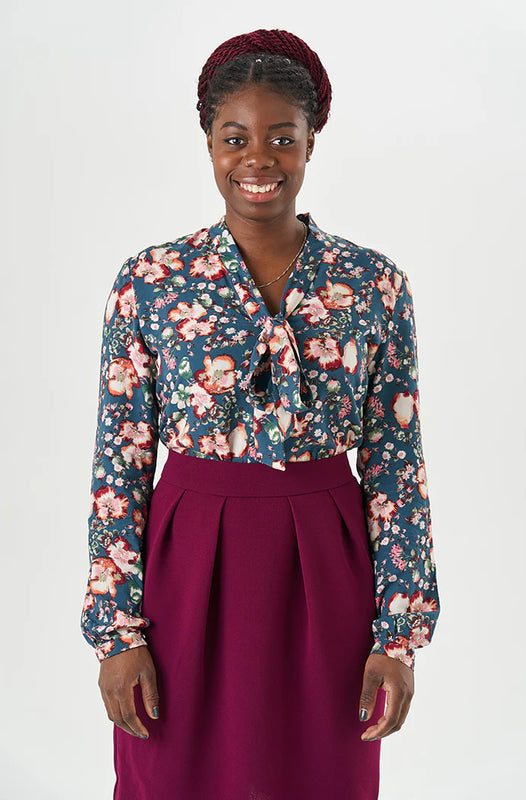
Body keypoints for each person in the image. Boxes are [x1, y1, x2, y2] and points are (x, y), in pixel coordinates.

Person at [80, 27, 440, 800]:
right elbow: (119, 462)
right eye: (234, 137)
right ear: (209, 143)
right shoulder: (150, 280)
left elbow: (395, 466)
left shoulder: (372, 284)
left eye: (282, 137)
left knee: (319, 777)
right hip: (184, 572)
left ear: (311, 142)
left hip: (326, 572)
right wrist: (115, 632)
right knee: (171, 776)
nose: (258, 159)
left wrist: (398, 636)